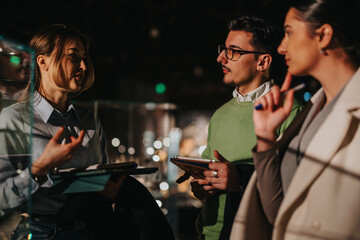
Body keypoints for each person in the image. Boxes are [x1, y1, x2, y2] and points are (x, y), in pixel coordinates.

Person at [0, 24, 174, 240]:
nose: (83, 65)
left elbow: (99, 183)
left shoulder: (89, 120)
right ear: (42, 61)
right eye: (73, 56)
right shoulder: (14, 118)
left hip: (93, 231)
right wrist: (38, 170)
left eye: (85, 57)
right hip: (41, 233)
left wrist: (109, 190)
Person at [230, 0, 360, 239]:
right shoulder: (312, 111)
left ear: (323, 35)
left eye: (289, 33)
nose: (281, 47)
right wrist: (266, 137)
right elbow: (279, 213)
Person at [190, 16, 302, 240]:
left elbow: (294, 187)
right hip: (207, 233)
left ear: (263, 62)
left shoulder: (288, 112)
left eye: (233, 51)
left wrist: (239, 181)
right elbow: (206, 168)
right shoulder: (220, 114)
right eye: (223, 49)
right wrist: (200, 184)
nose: (221, 57)